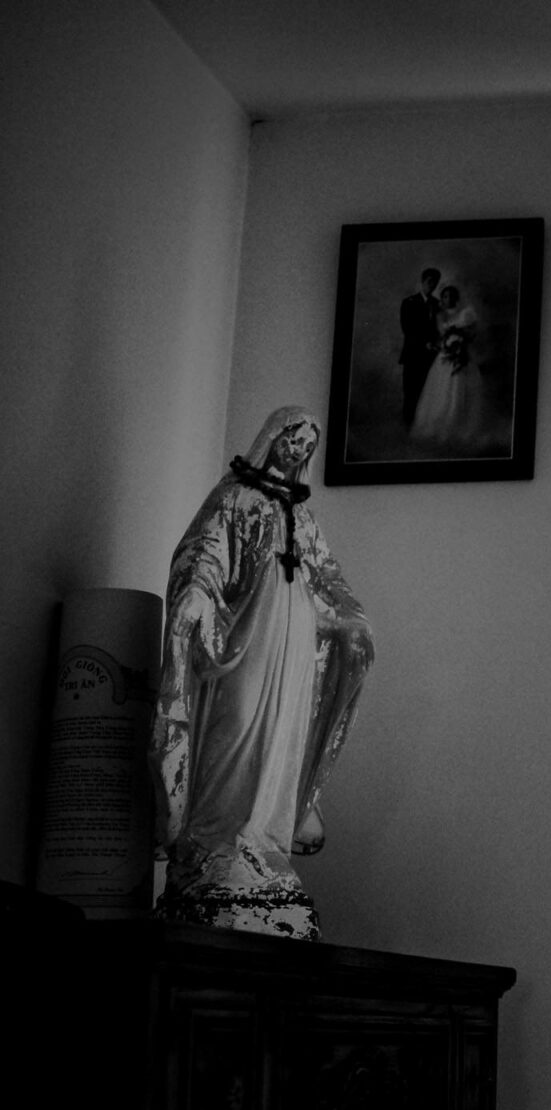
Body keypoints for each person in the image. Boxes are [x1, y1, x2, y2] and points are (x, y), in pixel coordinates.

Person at [151, 406, 376, 941]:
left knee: (281, 740)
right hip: (247, 637)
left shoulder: (304, 517)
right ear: (272, 438)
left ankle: (263, 843)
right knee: (237, 724)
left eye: (307, 445)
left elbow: (328, 579)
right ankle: (216, 843)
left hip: (296, 642)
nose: (298, 450)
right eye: (292, 439)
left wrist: (350, 620)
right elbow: (203, 553)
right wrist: (198, 595)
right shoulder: (235, 497)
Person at [410, 283, 479, 445]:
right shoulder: (440, 315)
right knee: (443, 387)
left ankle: (460, 427)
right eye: (445, 296)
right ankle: (440, 426)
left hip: (462, 354)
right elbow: (441, 335)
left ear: (457, 298)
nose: (448, 299)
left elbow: (471, 334)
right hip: (446, 355)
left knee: (461, 387)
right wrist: (444, 344)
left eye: (451, 296)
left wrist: (462, 341)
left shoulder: (466, 313)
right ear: (442, 299)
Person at [399, 267, 442, 426]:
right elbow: (407, 329)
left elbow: (440, 328)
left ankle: (423, 426)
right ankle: (408, 426)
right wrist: (425, 343)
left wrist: (438, 344)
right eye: (430, 282)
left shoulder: (437, 304)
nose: (432, 285)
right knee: (411, 390)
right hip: (413, 354)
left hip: (431, 356)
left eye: (435, 283)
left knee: (428, 392)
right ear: (422, 282)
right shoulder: (409, 302)